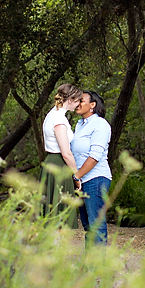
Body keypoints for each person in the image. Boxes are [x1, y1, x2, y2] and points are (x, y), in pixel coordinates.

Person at [70, 90, 112, 246]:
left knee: (96, 224)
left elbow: (95, 156)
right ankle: (89, 265)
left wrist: (76, 176)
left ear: (92, 105)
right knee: (88, 225)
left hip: (96, 179)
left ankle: (98, 268)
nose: (77, 103)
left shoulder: (100, 125)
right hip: (82, 180)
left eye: (81, 100)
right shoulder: (79, 124)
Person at [40, 83, 82, 228]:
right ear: (70, 100)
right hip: (58, 164)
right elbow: (66, 153)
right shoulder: (58, 119)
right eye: (77, 100)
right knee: (57, 217)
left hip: (52, 162)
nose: (78, 105)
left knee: (54, 215)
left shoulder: (52, 115)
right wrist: (77, 176)